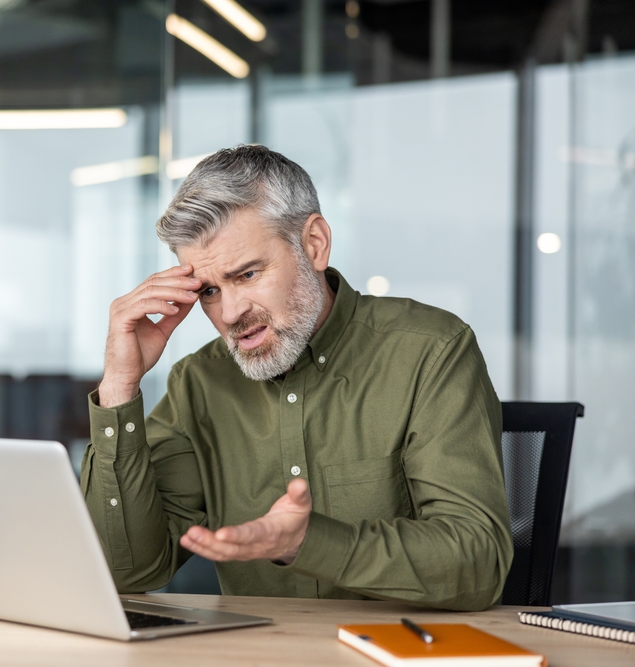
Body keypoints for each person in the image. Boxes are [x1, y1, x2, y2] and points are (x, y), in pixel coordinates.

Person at [80, 145, 513, 611]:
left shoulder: (430, 351)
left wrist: (307, 542)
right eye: (208, 291)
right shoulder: (198, 383)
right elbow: (130, 570)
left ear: (314, 244)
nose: (229, 313)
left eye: (247, 274)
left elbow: (478, 562)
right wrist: (120, 386)